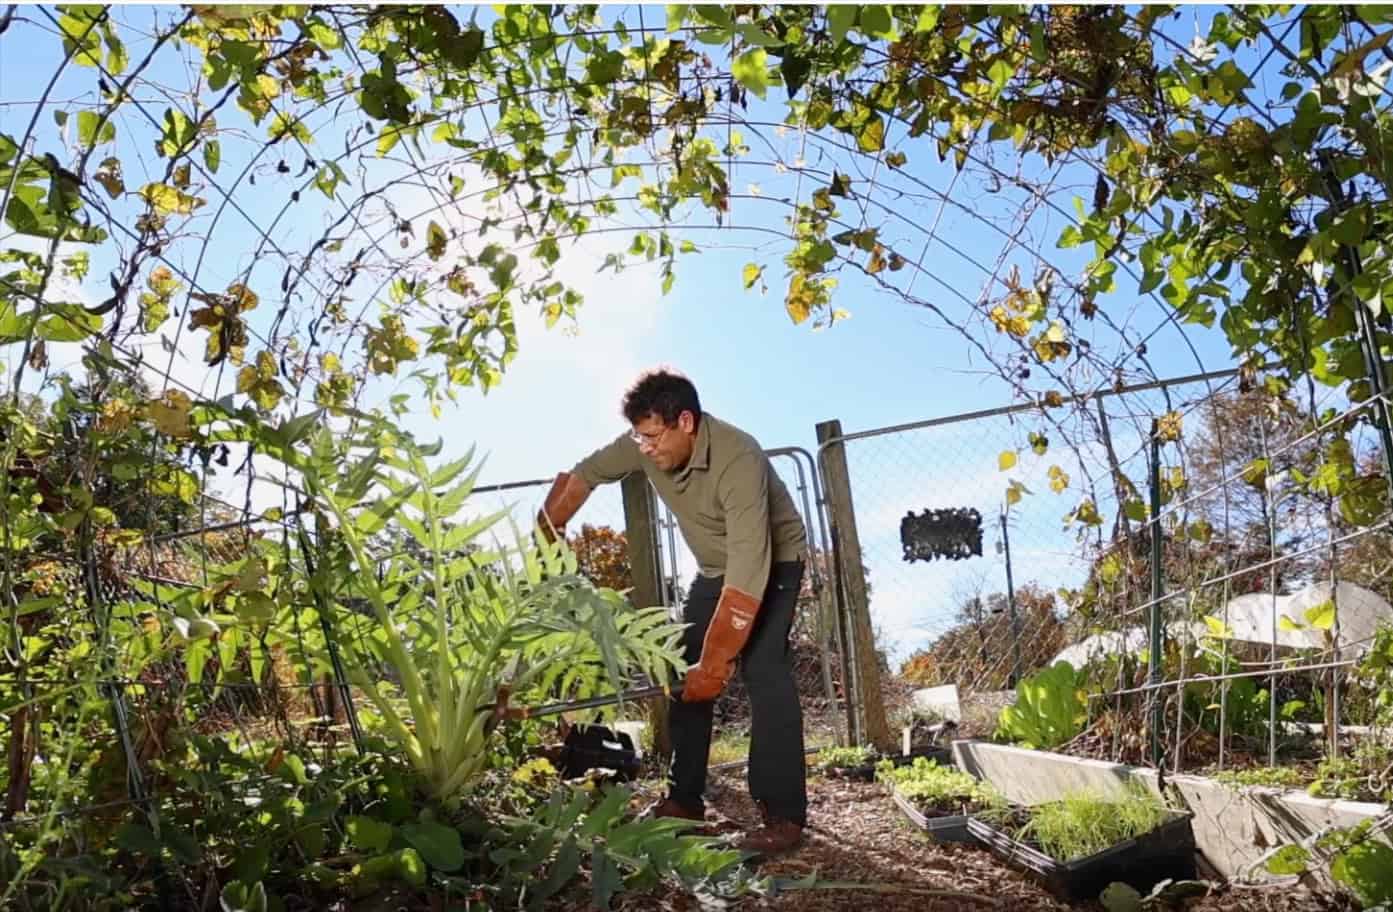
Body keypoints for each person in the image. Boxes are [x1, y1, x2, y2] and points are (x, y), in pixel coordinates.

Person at [536, 368, 809, 854]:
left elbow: (748, 574)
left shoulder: (738, 458)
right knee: (685, 674)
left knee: (764, 671)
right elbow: (586, 474)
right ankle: (685, 799)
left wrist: (720, 658)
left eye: (652, 437)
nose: (643, 449)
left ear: (686, 421)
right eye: (637, 437)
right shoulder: (645, 443)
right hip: (714, 570)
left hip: (774, 562)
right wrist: (546, 528)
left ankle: (782, 816)